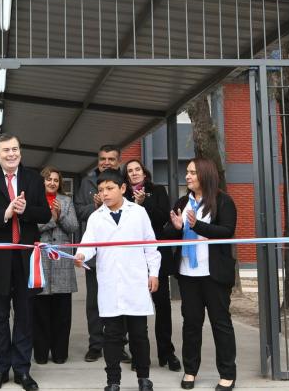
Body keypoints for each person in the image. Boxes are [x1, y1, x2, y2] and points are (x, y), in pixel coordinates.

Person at [0, 133, 50, 391]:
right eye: (6, 150)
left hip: (26, 257)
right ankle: (0, 369)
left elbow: (45, 213)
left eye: (15, 149)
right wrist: (4, 214)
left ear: (20, 151)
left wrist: (26, 210)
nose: (11, 154)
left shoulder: (34, 179)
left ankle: (22, 371)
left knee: (25, 316)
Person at [74, 169, 160, 391]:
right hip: (110, 284)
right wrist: (81, 256)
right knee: (111, 336)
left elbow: (151, 246)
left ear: (123, 188)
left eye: (110, 188)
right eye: (101, 190)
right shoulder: (96, 217)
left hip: (135, 283)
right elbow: (88, 244)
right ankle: (113, 381)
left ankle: (144, 378)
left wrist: (154, 273)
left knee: (139, 335)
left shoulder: (138, 213)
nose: (105, 193)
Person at [165, 158, 237, 391]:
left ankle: (227, 374)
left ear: (205, 175)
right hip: (188, 273)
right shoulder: (182, 202)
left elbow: (227, 231)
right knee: (191, 324)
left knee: (221, 324)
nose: (187, 176)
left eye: (193, 173)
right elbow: (168, 234)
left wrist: (197, 227)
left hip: (214, 274)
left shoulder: (223, 201)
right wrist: (177, 228)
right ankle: (190, 371)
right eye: (187, 172)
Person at [73, 145, 130, 364]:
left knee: (120, 302)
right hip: (96, 257)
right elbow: (79, 212)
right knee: (95, 303)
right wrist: (95, 206)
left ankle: (119, 345)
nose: (106, 162)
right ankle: (96, 345)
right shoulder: (87, 183)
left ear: (119, 161)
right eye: (103, 159)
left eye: (111, 159)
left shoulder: (125, 184)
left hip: (122, 257)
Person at [122, 159, 180, 372]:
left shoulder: (158, 191)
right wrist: (134, 204)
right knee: (137, 309)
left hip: (156, 257)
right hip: (133, 260)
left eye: (137, 169)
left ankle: (167, 353)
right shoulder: (123, 195)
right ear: (126, 177)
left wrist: (144, 203)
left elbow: (161, 218)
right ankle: (139, 356)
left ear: (144, 172)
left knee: (162, 307)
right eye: (130, 171)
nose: (135, 173)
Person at [32, 166, 79, 365]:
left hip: (61, 261)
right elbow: (34, 227)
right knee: (40, 311)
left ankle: (60, 353)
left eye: (56, 180)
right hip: (40, 259)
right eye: (48, 179)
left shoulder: (67, 201)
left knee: (62, 312)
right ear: (41, 181)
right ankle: (41, 354)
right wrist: (53, 217)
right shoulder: (34, 201)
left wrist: (60, 216)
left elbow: (73, 227)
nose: (52, 183)